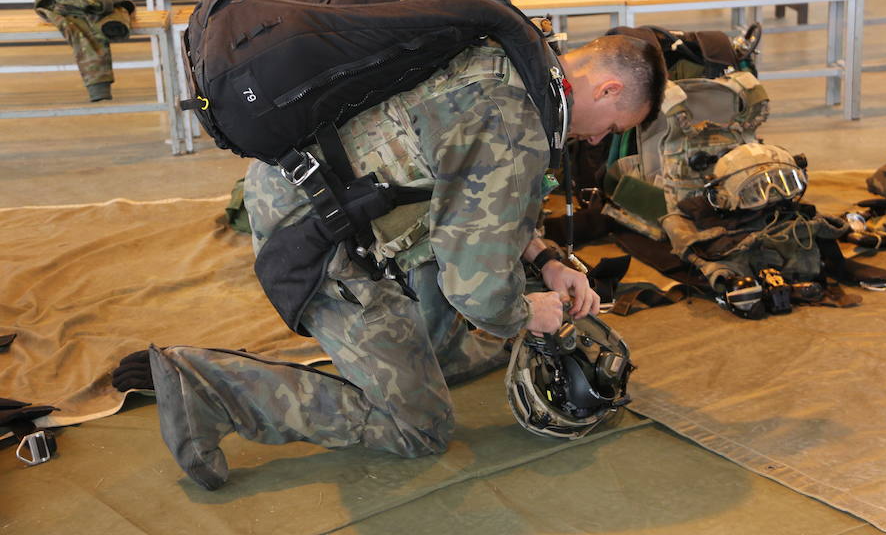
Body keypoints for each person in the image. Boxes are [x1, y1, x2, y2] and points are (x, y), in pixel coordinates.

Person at [147, 34, 667, 490]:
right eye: (612, 126)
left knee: (449, 351)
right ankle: (211, 387)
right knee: (419, 426)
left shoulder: (519, 59)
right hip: (319, 239)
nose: (598, 140)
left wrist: (548, 260)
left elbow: (481, 195)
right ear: (608, 90)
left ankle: (423, 350)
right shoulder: (513, 117)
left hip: (327, 193)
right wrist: (526, 312)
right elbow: (476, 287)